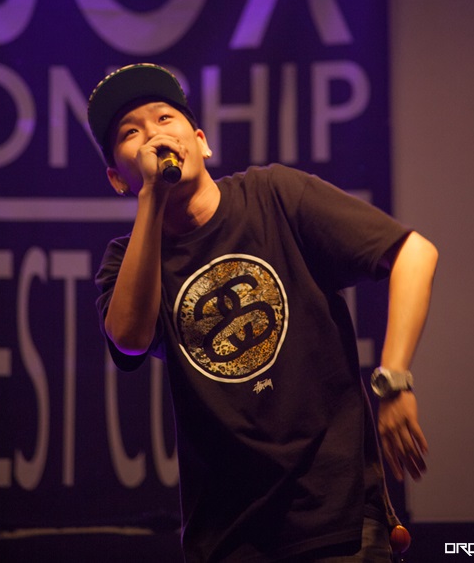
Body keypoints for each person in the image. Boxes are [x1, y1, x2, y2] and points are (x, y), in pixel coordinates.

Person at [88, 63, 438, 563]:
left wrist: (394, 379)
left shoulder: (274, 195)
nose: (154, 137)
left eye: (165, 118)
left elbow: (414, 253)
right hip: (229, 539)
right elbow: (129, 339)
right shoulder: (127, 261)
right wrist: (152, 198)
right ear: (117, 180)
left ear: (201, 142)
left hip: (337, 521)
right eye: (131, 133)